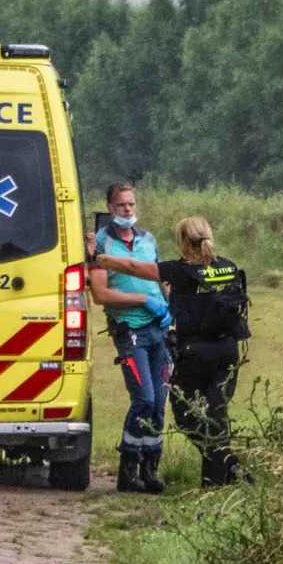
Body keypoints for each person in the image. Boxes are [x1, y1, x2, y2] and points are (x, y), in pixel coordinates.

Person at [92, 216, 251, 487]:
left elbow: (133, 266)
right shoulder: (229, 267)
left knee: (185, 413)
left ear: (182, 241)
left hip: (196, 354)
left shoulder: (180, 270)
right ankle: (219, 478)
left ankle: (224, 467)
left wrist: (100, 258)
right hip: (228, 352)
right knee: (217, 416)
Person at [85, 181, 172, 494]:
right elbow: (100, 293)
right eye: (122, 205)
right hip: (130, 330)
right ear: (111, 208)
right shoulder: (101, 245)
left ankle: (151, 469)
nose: (128, 210)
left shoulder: (148, 240)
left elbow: (161, 279)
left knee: (160, 402)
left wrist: (167, 303)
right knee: (144, 398)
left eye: (132, 205)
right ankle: (128, 468)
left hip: (159, 330)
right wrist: (142, 300)